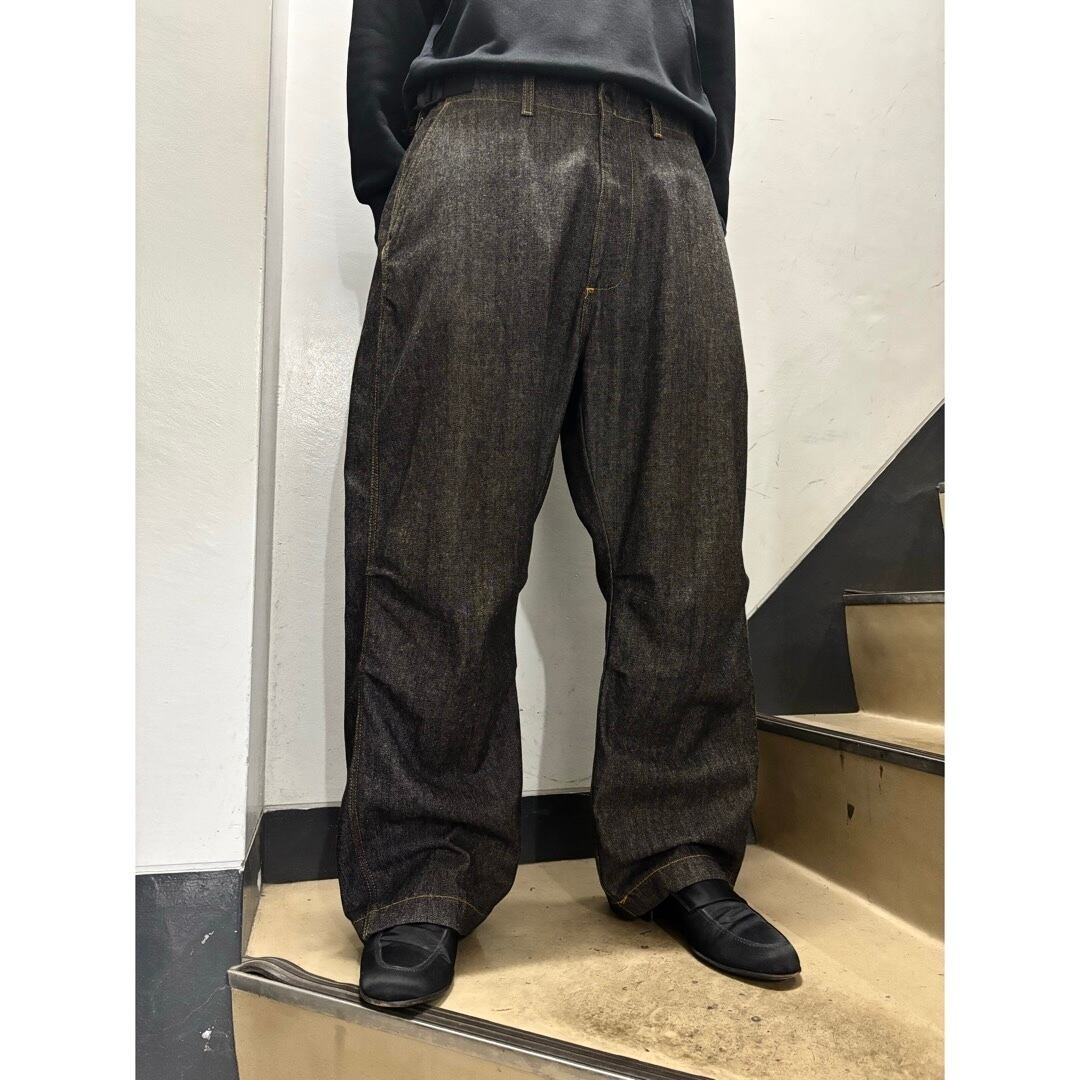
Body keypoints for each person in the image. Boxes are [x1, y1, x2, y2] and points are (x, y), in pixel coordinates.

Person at [338, 0, 800, 1009]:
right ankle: (419, 870)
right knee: (438, 538)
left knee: (685, 544)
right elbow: (385, 24)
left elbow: (711, 42)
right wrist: (403, 186)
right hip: (478, 135)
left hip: (667, 156)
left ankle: (682, 850)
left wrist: (697, 183)